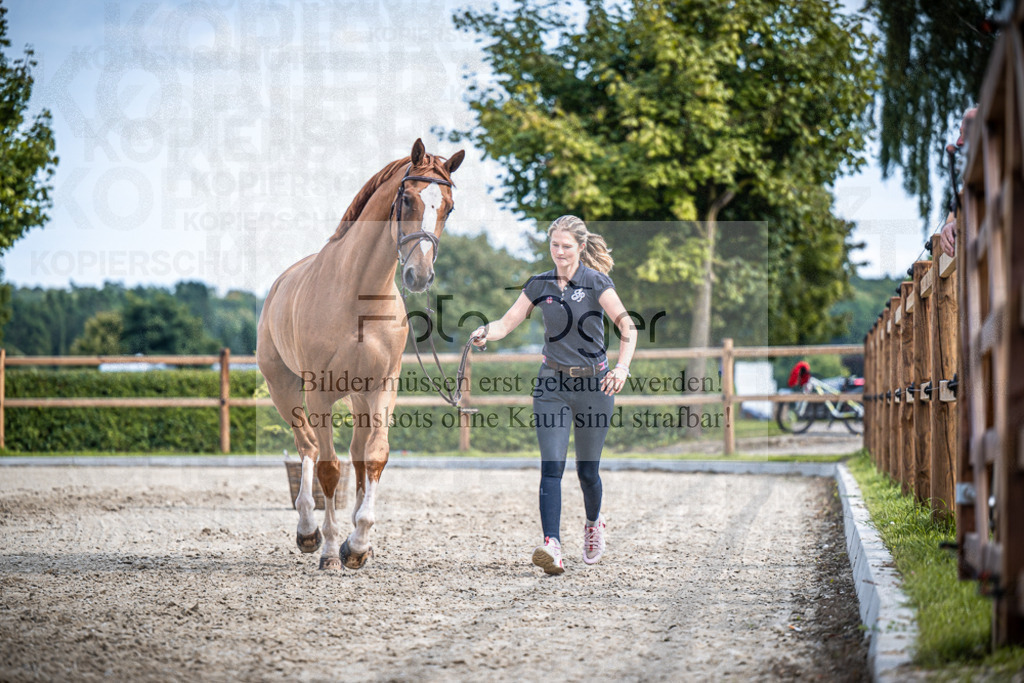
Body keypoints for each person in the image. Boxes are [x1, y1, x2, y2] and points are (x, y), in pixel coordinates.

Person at [471, 215, 636, 575]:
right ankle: (552, 545)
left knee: (587, 471)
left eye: (566, 246)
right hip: (552, 386)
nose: (559, 252)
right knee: (552, 467)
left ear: (579, 247)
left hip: (595, 386)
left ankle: (593, 524)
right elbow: (507, 322)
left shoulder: (596, 282)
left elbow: (627, 325)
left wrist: (621, 368)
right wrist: (486, 330)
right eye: (554, 245)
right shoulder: (539, 284)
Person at [940, 107, 977, 257]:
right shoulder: (967, 190)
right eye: (960, 133)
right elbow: (952, 218)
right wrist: (948, 228)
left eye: (967, 134)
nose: (958, 142)